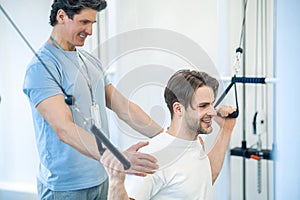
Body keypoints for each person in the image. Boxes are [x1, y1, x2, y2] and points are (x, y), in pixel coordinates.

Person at [23, 0, 163, 199]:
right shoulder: (41, 67)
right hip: (66, 187)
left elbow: (124, 107)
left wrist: (168, 137)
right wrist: (116, 157)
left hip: (102, 176)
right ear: (61, 16)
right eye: (84, 22)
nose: (89, 31)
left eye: (92, 24)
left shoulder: (90, 61)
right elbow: (64, 128)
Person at [103, 69, 237, 200]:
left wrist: (226, 129)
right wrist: (116, 182)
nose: (213, 112)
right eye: (203, 106)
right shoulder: (151, 156)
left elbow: (206, 179)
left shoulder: (196, 143)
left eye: (212, 104)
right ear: (178, 109)